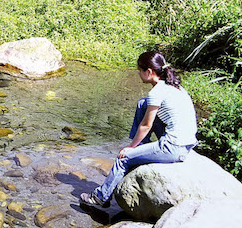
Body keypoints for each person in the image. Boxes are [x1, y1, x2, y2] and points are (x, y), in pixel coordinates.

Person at [80, 50, 198, 208]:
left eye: (139, 70)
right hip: (187, 143)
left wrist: (130, 148)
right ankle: (143, 145)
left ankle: (101, 197)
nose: (138, 74)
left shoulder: (157, 92)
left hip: (173, 148)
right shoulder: (175, 86)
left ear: (149, 72)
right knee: (143, 104)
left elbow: (146, 125)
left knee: (123, 159)